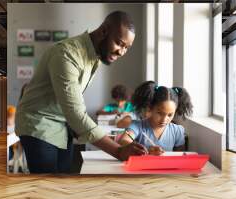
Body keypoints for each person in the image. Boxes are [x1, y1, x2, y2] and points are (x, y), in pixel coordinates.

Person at [15, 11, 146, 173]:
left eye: (127, 47)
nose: (122, 52)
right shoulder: (67, 54)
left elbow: (73, 106)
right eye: (119, 43)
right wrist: (118, 151)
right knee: (47, 187)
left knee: (62, 181)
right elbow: (76, 113)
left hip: (62, 125)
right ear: (104, 31)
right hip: (40, 123)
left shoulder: (92, 57)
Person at [118, 81, 193, 155]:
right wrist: (145, 151)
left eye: (170, 115)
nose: (164, 119)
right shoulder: (137, 126)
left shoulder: (177, 131)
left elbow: (180, 155)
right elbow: (123, 141)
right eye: (160, 113)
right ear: (150, 107)